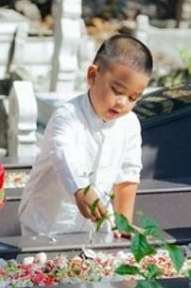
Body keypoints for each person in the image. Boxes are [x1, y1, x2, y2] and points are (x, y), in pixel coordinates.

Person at [18, 34, 152, 237]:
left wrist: (123, 222)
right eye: (117, 90)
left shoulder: (130, 124)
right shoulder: (68, 115)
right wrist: (81, 188)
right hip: (46, 224)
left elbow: (128, 173)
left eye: (133, 98)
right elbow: (63, 154)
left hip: (96, 226)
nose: (122, 103)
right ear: (92, 75)